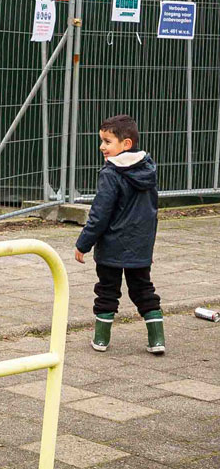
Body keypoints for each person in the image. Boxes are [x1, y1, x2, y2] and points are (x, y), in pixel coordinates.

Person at [74, 114, 163, 355]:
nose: (102, 146)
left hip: (112, 246)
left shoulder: (111, 173)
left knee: (107, 290)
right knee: (144, 289)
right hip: (140, 246)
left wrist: (84, 243)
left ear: (126, 144)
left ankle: (101, 340)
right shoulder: (149, 169)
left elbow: (99, 214)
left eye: (107, 141)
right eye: (101, 141)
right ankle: (157, 340)